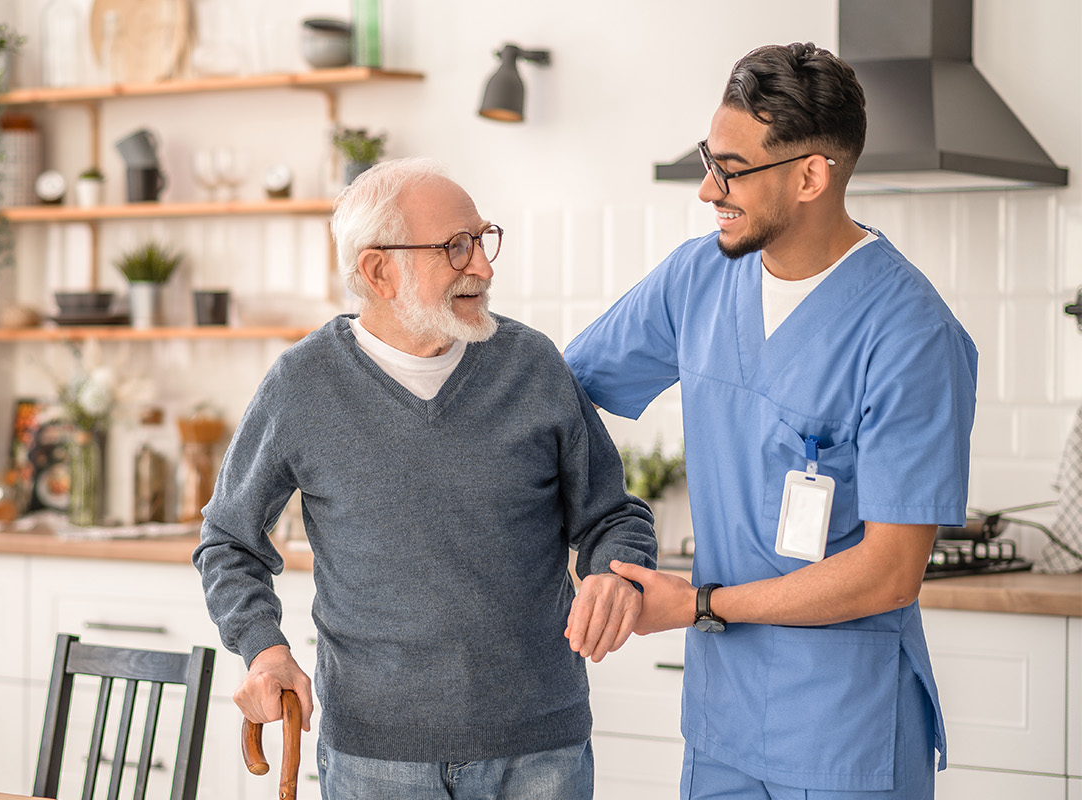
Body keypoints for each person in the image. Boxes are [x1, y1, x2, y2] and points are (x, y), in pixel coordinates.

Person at [565, 43, 976, 798]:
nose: (706, 189)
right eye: (707, 158)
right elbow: (559, 393)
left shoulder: (911, 333)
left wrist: (697, 604)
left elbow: (890, 572)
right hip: (722, 726)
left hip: (845, 734)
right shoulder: (698, 277)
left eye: (731, 168)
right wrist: (599, 538)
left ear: (811, 175)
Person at [194, 157, 658, 800]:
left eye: (483, 240)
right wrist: (264, 649)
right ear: (379, 269)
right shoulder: (302, 385)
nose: (484, 267)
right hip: (374, 759)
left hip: (540, 753)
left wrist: (615, 571)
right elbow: (229, 540)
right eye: (456, 248)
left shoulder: (532, 365)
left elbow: (611, 514)